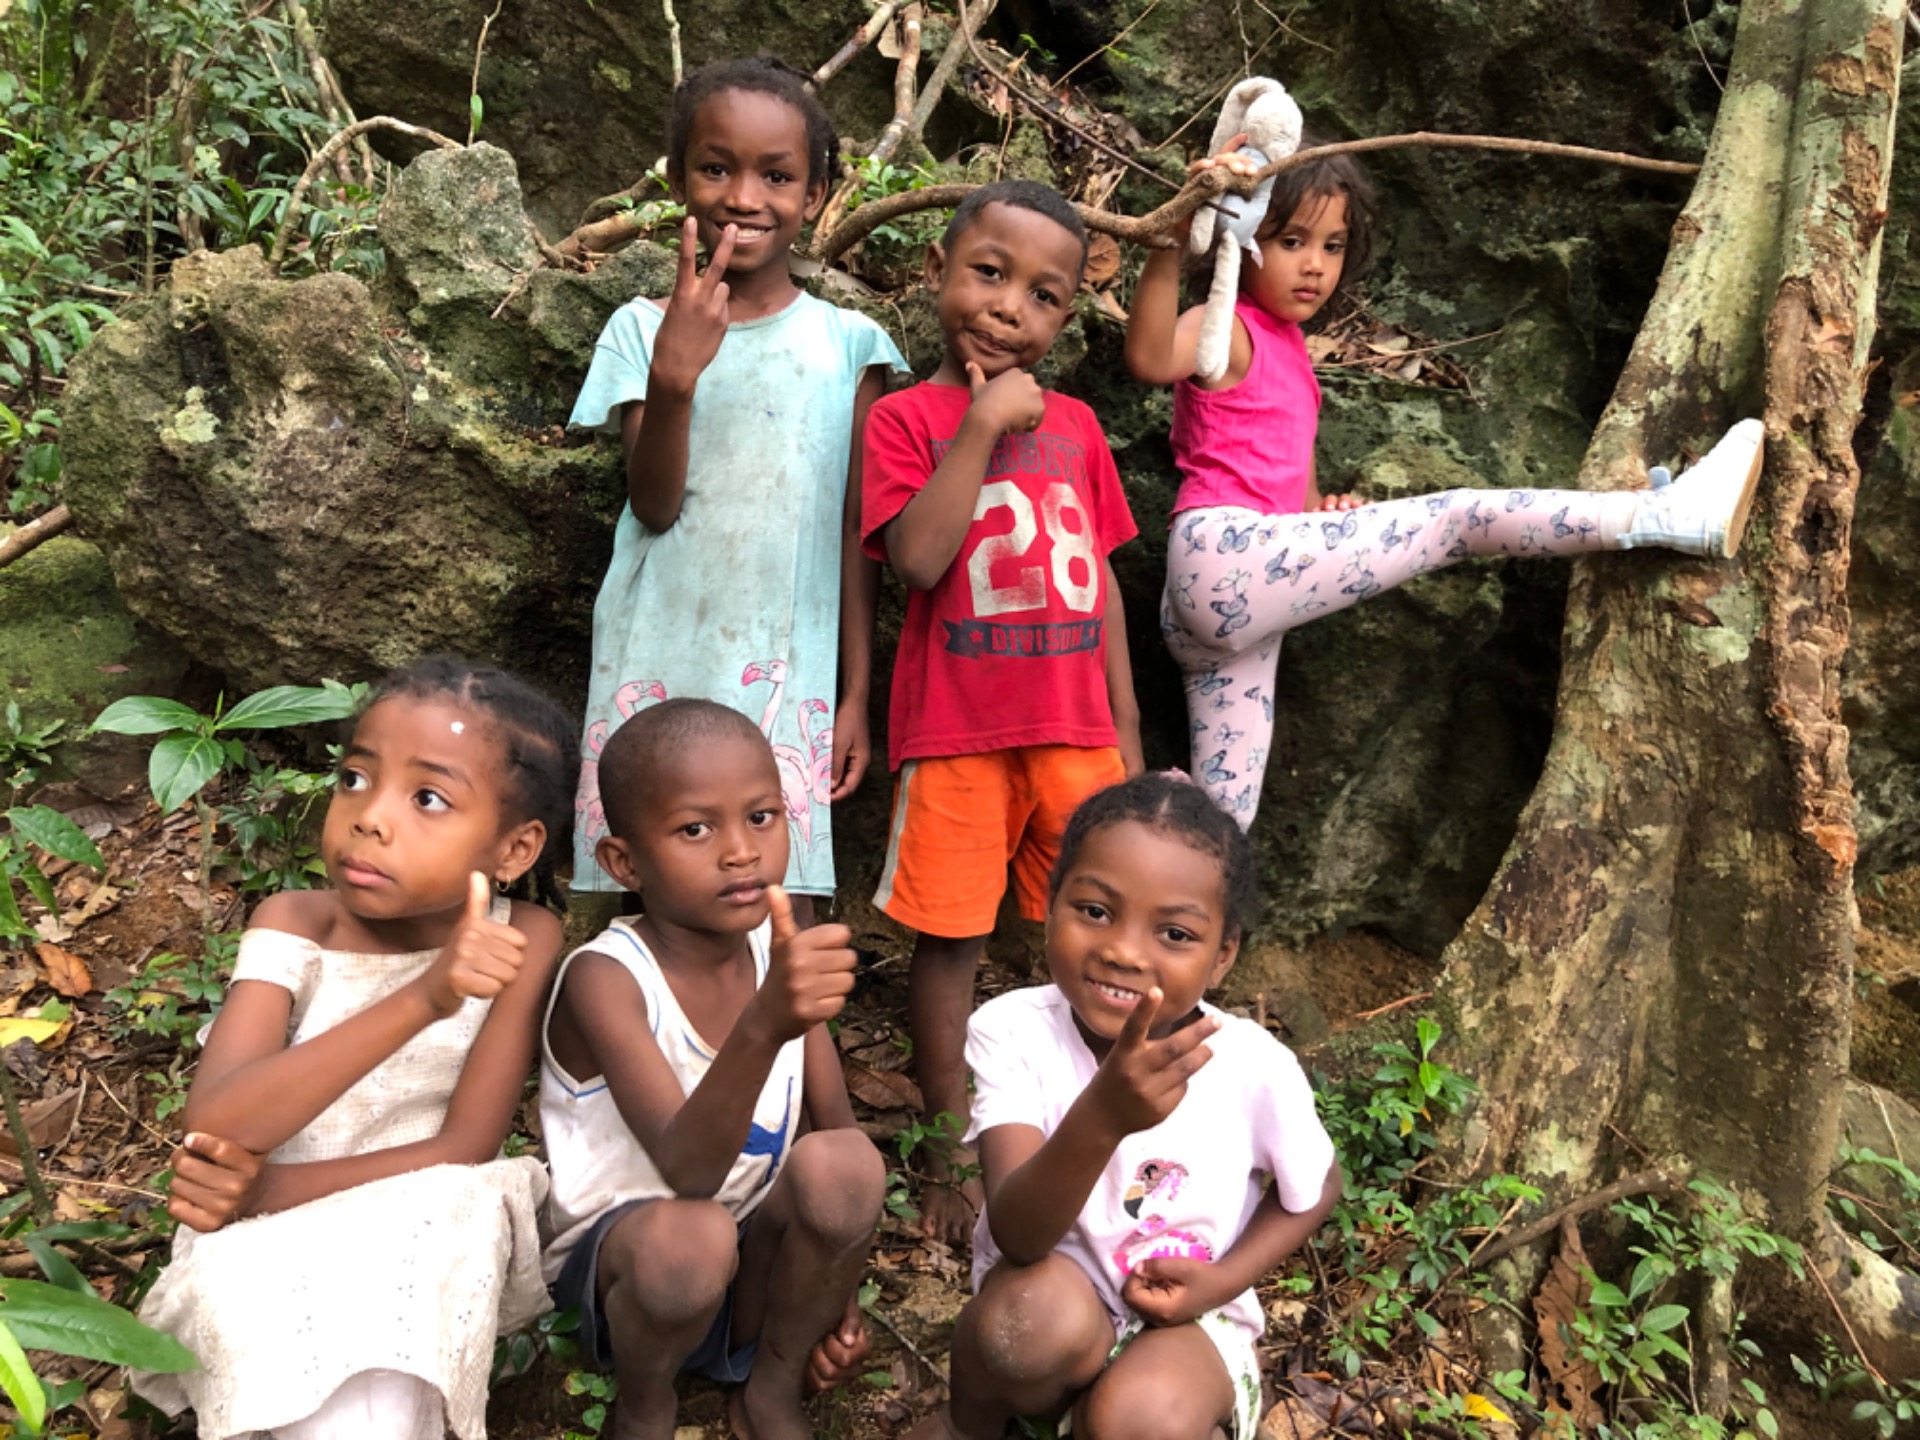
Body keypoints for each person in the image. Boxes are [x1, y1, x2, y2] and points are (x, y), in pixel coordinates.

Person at [1125, 138, 1767, 825]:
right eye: (1291, 241)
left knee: (1223, 819)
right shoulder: (1224, 325)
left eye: (1333, 246)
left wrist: (1327, 515)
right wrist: (1174, 235)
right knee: (1457, 520)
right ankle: (1663, 515)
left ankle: (1145, 863)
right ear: (1244, 237)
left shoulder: (1292, 353)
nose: (1315, 265)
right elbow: (1151, 358)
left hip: (1230, 603)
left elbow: (1294, 499)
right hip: (1225, 557)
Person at [133, 657, 577, 1440]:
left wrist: (270, 1187)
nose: (370, 817)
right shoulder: (293, 923)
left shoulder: (525, 938)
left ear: (515, 850)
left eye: (428, 798)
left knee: (423, 1260)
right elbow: (220, 1122)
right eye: (354, 779)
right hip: (257, 1225)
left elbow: (464, 1148)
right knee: (265, 1313)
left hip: (423, 1209)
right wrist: (426, 997)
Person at [860, 179, 1143, 1245]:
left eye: (1043, 294)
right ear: (937, 270)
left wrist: (1127, 731)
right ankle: (950, 1142)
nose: (1009, 307)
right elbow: (918, 560)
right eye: (989, 273)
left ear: (1067, 316)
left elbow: (1103, 582)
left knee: (1089, 930)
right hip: (958, 738)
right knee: (951, 941)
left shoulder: (1078, 427)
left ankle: (1092, 1124)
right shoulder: (904, 421)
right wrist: (978, 426)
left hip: (1078, 735)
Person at [569, 55, 908, 917]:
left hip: (786, 673)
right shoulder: (639, 328)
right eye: (716, 168)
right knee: (651, 884)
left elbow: (855, 534)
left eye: (777, 176)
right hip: (659, 654)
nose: (744, 197)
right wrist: (675, 377)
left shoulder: (850, 347)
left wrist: (855, 694)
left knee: (777, 905)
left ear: (817, 193)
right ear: (677, 179)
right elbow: (654, 506)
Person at [909, 772, 1341, 1440]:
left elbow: (1316, 1184)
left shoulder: (1252, 1065)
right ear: (1050, 902)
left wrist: (1222, 1281)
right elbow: (1019, 1236)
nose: (1123, 951)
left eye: (1174, 933)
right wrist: (1103, 1117)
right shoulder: (1013, 1031)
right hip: (1054, 1296)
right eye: (1095, 911)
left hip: (1190, 1318)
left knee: (1137, 1418)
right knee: (1018, 1328)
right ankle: (968, 1425)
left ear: (1223, 956)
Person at [541, 698, 885, 1440]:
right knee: (693, 1240)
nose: (740, 852)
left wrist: (837, 1293)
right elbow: (690, 1173)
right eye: (696, 829)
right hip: (633, 1275)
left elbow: (837, 1133)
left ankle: (771, 1388)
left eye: (761, 817)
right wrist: (766, 1022)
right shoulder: (606, 978)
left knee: (848, 1165)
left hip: (748, 1266)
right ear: (625, 862)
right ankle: (645, 1405)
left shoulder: (777, 951)